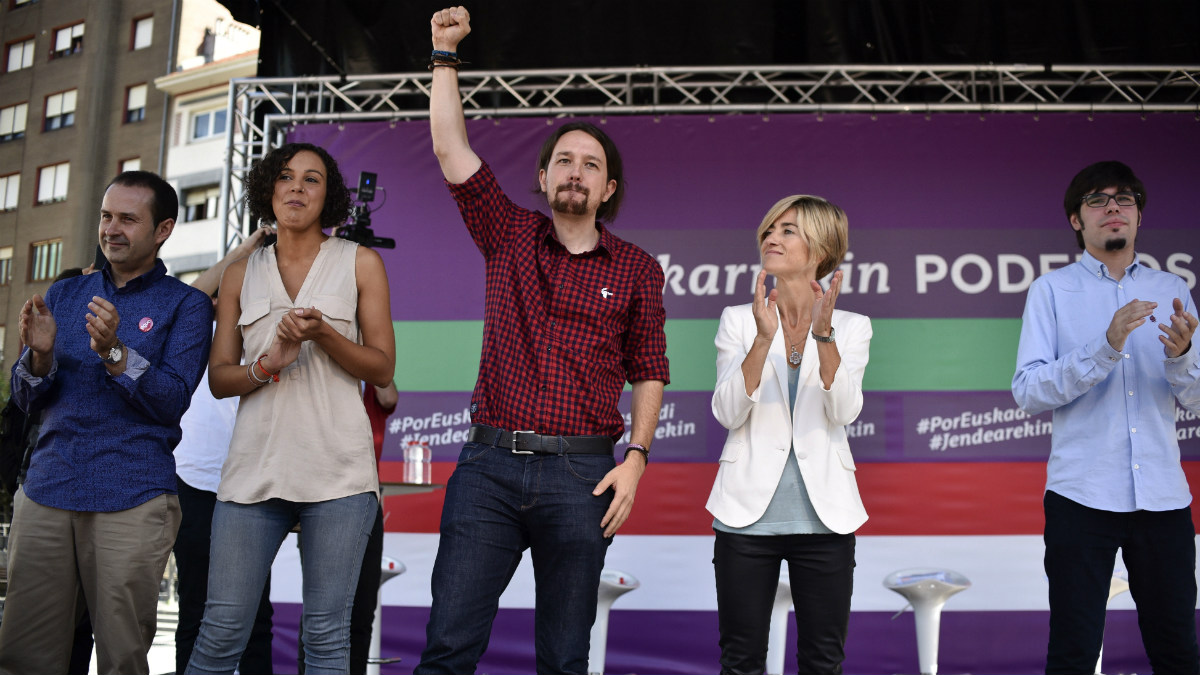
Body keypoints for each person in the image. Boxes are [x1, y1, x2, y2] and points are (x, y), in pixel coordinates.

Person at [416, 7, 670, 675]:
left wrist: (636, 457)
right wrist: (445, 54)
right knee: (447, 649)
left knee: (564, 657)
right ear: (544, 178)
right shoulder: (508, 234)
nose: (575, 172)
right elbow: (449, 149)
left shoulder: (638, 267)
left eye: (590, 164)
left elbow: (650, 368)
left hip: (582, 476)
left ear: (608, 188)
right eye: (564, 160)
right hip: (489, 470)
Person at [185, 142, 395, 675]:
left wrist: (323, 333)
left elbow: (382, 369)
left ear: (330, 197)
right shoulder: (240, 273)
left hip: (339, 477)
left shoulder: (361, 262)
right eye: (285, 177)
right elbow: (218, 379)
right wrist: (268, 364)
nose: (296, 187)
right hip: (253, 473)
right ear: (268, 190)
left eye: (312, 179)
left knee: (327, 637)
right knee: (220, 632)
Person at [0, 171, 213, 675]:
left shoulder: (187, 305)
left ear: (163, 229)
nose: (111, 229)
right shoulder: (67, 292)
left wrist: (115, 352)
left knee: (122, 658)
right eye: (106, 216)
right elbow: (26, 397)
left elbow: (172, 400)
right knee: (23, 655)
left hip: (131, 497)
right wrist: (40, 357)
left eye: (128, 219)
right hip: (48, 488)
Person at [1012, 160, 1200, 674]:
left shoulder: (1173, 289)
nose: (1113, 208)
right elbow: (1028, 391)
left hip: (1162, 496)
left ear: (1138, 216)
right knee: (1072, 652)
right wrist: (1107, 344)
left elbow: (1197, 403)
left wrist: (1183, 359)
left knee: (1179, 652)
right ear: (1077, 220)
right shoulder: (1050, 291)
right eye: (1097, 200)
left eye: (1125, 199)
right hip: (1082, 495)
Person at [707, 196, 871, 674]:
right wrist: (761, 340)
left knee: (822, 662)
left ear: (819, 248)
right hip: (744, 519)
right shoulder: (739, 320)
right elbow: (726, 412)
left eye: (788, 230)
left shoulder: (853, 327)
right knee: (741, 661)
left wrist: (824, 339)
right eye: (769, 230)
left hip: (826, 522)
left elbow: (844, 411)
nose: (772, 238)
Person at [173, 225, 277, 675]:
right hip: (194, 479)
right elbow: (180, 302)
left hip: (253, 481)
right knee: (194, 609)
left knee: (256, 616)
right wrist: (246, 248)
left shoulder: (280, 320)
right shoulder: (202, 318)